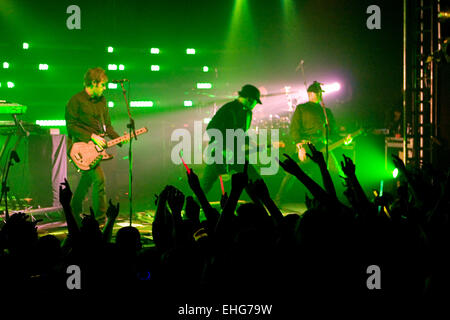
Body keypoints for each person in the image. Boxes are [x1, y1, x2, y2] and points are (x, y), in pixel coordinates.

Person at [65, 67, 121, 225]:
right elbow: (71, 127)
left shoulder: (102, 101)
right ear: (94, 83)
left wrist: (120, 138)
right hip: (79, 148)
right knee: (99, 180)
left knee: (86, 180)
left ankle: (73, 207)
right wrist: (91, 137)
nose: (105, 88)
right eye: (103, 84)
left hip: (95, 149)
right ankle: (100, 221)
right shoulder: (75, 101)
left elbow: (107, 126)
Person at [275, 81, 338, 204]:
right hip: (306, 145)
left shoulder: (326, 111)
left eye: (320, 92)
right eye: (317, 92)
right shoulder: (302, 108)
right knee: (292, 172)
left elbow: (333, 131)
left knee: (334, 170)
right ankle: (278, 199)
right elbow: (294, 129)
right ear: (310, 93)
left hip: (322, 146)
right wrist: (300, 147)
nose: (320, 95)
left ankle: (332, 201)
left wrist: (338, 138)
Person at [201, 84, 263, 198]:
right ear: (249, 99)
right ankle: (189, 209)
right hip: (219, 153)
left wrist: (253, 144)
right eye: (255, 101)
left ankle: (261, 207)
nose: (255, 105)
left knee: (254, 179)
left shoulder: (247, 113)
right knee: (205, 185)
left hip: (235, 154)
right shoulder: (228, 109)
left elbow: (241, 134)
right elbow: (211, 129)